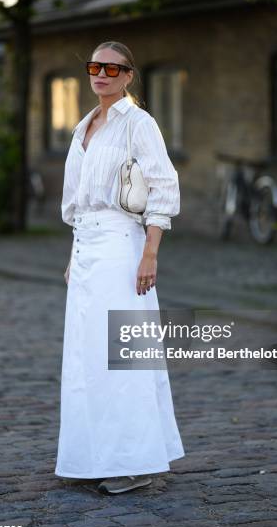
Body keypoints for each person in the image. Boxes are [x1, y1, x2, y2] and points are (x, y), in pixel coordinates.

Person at [55, 40, 185, 495]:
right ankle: (91, 456)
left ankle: (136, 462)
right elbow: (75, 201)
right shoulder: (83, 127)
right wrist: (75, 254)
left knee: (121, 354)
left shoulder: (139, 123)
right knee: (86, 358)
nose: (102, 75)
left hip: (123, 247)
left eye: (113, 69)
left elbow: (163, 186)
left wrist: (150, 253)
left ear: (129, 76)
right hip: (88, 249)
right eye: (95, 66)